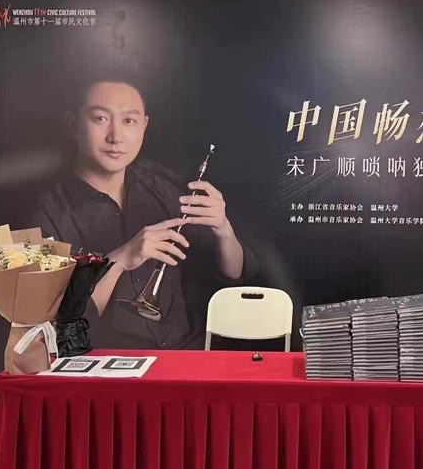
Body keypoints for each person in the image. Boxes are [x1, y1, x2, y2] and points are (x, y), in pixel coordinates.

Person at [33, 74, 256, 349]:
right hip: (110, 365)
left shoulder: (161, 191)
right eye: (100, 118)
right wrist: (120, 259)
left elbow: (235, 274)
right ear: (73, 125)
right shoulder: (47, 214)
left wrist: (223, 230)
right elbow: (59, 327)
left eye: (129, 121)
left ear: (144, 126)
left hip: (186, 354)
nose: (116, 137)